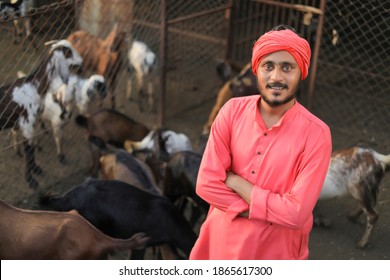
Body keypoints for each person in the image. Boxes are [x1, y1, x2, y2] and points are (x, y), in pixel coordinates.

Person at [189, 25, 332, 260]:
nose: (276, 77)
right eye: (268, 66)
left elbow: (296, 214)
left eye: (287, 67)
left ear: (300, 73)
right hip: (220, 245)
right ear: (256, 70)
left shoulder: (317, 134)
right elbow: (206, 184)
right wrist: (271, 211)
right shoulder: (232, 111)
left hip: (276, 252)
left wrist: (236, 182)